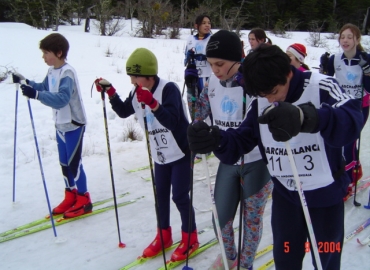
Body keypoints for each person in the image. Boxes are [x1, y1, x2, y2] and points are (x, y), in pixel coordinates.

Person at [187, 44, 363, 270]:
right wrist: (216, 139)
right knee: (286, 257)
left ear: (289, 73)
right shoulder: (260, 98)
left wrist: (305, 117)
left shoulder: (321, 85)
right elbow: (241, 140)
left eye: (273, 92)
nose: (270, 100)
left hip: (324, 198)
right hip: (286, 199)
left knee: (326, 258)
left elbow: (351, 120)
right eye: (263, 95)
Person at [94, 48, 198, 261]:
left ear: (149, 75)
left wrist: (152, 103)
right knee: (160, 197)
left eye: (135, 75)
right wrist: (111, 92)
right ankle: (164, 235)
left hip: (180, 152)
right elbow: (124, 111)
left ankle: (190, 237)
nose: (132, 80)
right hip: (159, 156)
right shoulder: (137, 91)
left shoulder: (168, 89)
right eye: (130, 76)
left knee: (179, 196)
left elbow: (171, 120)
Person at [186, 30, 272, 270]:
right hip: (228, 159)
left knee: (251, 222)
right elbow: (198, 117)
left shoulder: (253, 82)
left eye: (220, 64)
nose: (215, 69)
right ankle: (229, 257)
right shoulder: (212, 82)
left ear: (237, 59)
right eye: (211, 64)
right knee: (220, 217)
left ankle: (245, 265)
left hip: (256, 162)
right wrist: (192, 91)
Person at [12, 33, 91, 219]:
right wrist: (26, 83)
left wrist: (37, 95)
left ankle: (84, 199)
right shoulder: (52, 71)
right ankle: (70, 195)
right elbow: (44, 87)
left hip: (74, 124)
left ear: (59, 52)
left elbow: (62, 99)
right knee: (64, 164)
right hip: (60, 125)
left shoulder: (67, 73)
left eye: (47, 53)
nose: (44, 57)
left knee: (74, 164)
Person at [320, 23, 370, 194]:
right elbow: (327, 82)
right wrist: (324, 68)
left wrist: (367, 71)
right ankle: (354, 170)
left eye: (350, 37)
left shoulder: (366, 58)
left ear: (357, 39)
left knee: (348, 143)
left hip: (359, 107)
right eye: (342, 37)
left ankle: (347, 182)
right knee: (337, 142)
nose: (345, 40)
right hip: (341, 106)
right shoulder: (335, 58)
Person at [184, 14, 212, 95]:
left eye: (209, 23)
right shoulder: (191, 39)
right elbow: (185, 61)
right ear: (196, 25)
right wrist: (189, 57)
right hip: (193, 75)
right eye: (204, 23)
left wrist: (206, 57)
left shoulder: (212, 39)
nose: (207, 25)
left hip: (208, 75)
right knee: (193, 99)